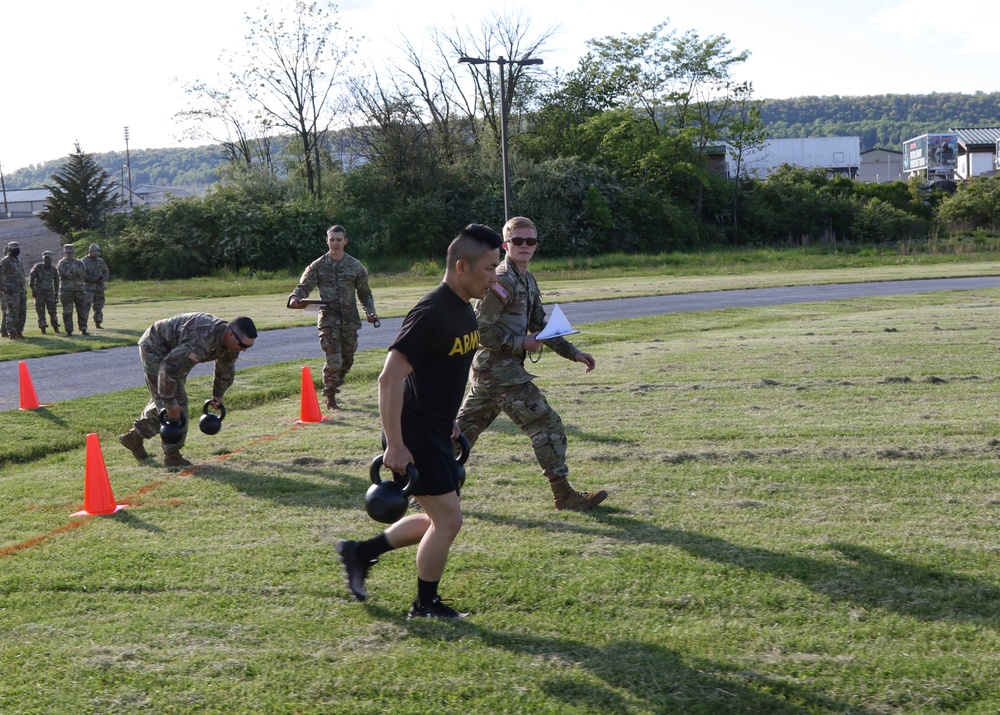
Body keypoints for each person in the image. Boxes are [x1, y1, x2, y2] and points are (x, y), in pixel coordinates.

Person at [336, 223, 502, 619]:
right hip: (413, 434)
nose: (494, 276)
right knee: (448, 521)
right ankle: (425, 605)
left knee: (435, 518)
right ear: (462, 266)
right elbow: (389, 377)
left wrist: (450, 420)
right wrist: (395, 443)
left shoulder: (463, 308)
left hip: (435, 428)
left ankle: (360, 552)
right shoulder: (431, 312)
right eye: (490, 268)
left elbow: (442, 373)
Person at [456, 216, 608, 511]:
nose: (524, 246)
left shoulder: (527, 278)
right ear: (505, 244)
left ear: (536, 245)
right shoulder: (502, 279)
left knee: (461, 434)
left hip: (494, 373)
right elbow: (480, 329)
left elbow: (541, 324)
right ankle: (563, 494)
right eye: (517, 241)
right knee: (546, 422)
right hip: (498, 371)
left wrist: (573, 352)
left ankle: (428, 485)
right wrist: (520, 343)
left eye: (530, 241)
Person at [118, 313, 257, 469]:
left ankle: (134, 437)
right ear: (230, 333)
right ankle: (172, 457)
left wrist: (218, 394)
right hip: (156, 347)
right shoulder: (201, 340)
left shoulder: (232, 344)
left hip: (175, 355)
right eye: (243, 345)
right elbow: (168, 369)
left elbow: (225, 368)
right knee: (177, 405)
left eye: (248, 347)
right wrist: (171, 405)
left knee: (168, 403)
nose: (244, 350)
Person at [287, 225, 378, 410]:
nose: (335, 243)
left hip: (350, 320)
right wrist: (295, 297)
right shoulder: (318, 265)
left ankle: (335, 382)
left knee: (347, 359)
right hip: (328, 320)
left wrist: (370, 311)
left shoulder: (356, 266)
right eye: (332, 239)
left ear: (345, 241)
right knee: (333, 359)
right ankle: (330, 398)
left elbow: (364, 293)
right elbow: (304, 286)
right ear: (327, 240)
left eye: (339, 239)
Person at [57, 244, 88, 336]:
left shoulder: (80, 262)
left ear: (74, 251)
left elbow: (82, 273)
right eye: (67, 252)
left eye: (71, 252)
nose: (69, 253)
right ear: (65, 252)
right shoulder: (62, 263)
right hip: (66, 290)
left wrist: (71, 273)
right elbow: (63, 274)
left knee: (82, 310)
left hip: (79, 289)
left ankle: (83, 329)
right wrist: (75, 273)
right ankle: (69, 331)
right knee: (67, 311)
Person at [0, 241, 27, 340]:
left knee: (22, 312)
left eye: (18, 249)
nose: (17, 251)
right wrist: (4, 289)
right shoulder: (5, 261)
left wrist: (24, 288)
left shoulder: (19, 260)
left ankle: (19, 331)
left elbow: (22, 275)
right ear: (10, 250)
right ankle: (12, 333)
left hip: (21, 290)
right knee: (12, 312)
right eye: (15, 249)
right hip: (11, 291)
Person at [29, 250, 60, 334]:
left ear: (51, 259)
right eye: (45, 258)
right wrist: (33, 290)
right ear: (43, 259)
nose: (47, 260)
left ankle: (56, 328)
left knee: (53, 312)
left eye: (48, 258)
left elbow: (56, 282)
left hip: (50, 293)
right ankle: (43, 329)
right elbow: (31, 279)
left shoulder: (53, 269)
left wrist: (56, 295)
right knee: (40, 312)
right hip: (39, 293)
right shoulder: (37, 267)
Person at [82, 242, 110, 329]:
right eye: (94, 253)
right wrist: (93, 279)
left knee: (99, 306)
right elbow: (82, 275)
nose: (96, 255)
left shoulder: (100, 261)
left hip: (99, 288)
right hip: (88, 288)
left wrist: (103, 278)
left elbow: (106, 271)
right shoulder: (83, 262)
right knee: (86, 307)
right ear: (90, 251)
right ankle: (83, 325)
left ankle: (98, 323)